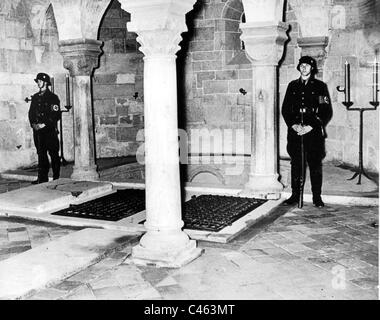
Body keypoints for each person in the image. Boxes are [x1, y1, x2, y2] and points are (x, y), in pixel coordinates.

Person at [281, 56, 333, 207]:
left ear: (312, 68)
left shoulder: (320, 86)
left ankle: (317, 197)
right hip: (296, 132)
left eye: (307, 65)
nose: (304, 68)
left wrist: (311, 126)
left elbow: (326, 111)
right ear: (299, 67)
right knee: (296, 164)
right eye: (301, 65)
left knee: (315, 164)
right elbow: (285, 109)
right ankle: (295, 195)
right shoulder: (292, 86)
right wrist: (294, 125)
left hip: (313, 132)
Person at [28, 72, 61, 184]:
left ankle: (56, 177)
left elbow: (55, 115)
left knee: (54, 154)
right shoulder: (35, 97)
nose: (38, 83)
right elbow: (31, 113)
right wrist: (33, 124)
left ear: (46, 83)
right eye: (38, 81)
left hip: (49, 130)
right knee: (41, 154)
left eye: (40, 81)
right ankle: (42, 178)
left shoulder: (53, 97)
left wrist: (44, 124)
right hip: (38, 131)